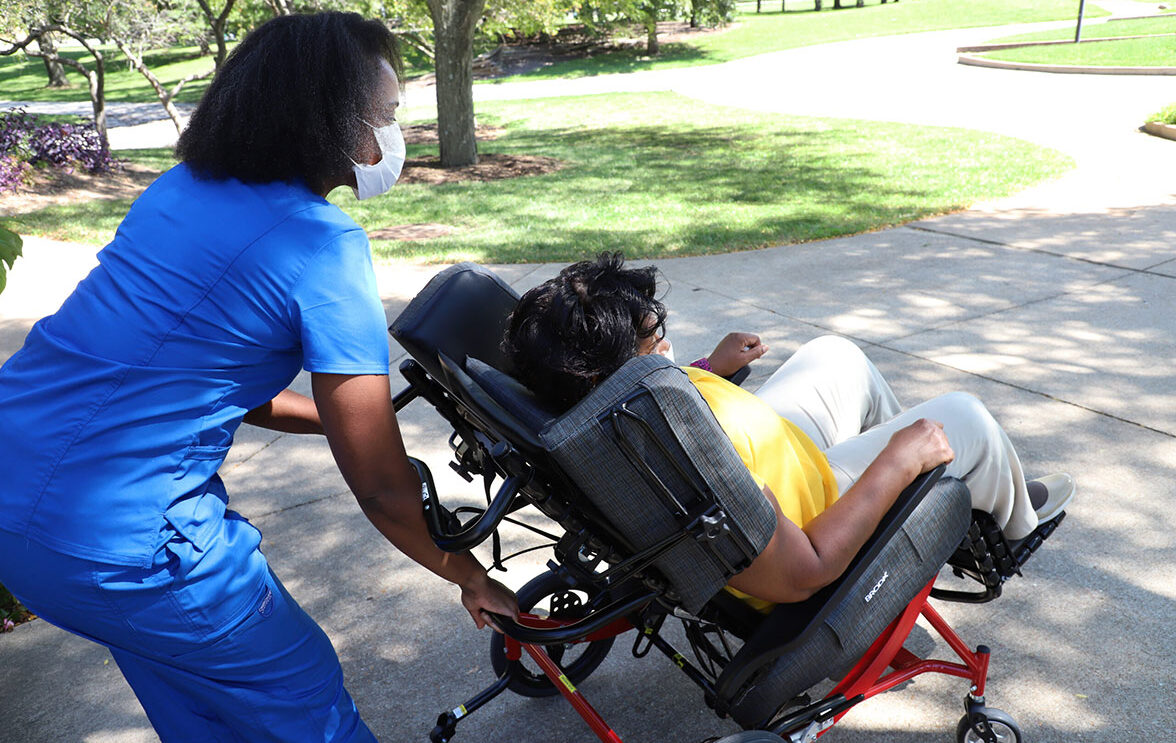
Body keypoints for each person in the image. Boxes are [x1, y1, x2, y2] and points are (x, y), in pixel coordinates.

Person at [0, 13, 516, 743]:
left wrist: (339, 420)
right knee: (299, 695)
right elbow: (377, 485)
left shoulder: (180, 191)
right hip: (126, 541)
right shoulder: (321, 243)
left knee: (202, 707)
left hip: (16, 501)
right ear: (330, 120)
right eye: (388, 115)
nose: (395, 136)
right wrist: (467, 572)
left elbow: (205, 378)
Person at [504, 253, 1073, 609]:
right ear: (622, 367)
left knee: (836, 355)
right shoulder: (687, 463)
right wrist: (897, 461)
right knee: (963, 416)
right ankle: (1011, 523)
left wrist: (703, 369)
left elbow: (656, 396)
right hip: (810, 522)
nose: (664, 340)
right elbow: (803, 571)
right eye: (655, 340)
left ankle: (922, 502)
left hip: (769, 458)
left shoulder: (613, 408)